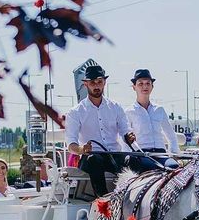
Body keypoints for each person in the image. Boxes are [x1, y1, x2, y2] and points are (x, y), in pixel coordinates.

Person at [65, 64, 137, 195]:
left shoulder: (116, 107)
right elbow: (71, 145)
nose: (96, 86)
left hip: (114, 156)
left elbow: (125, 130)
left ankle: (132, 200)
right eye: (92, 82)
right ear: (85, 84)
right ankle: (103, 201)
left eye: (99, 82)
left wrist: (129, 136)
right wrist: (82, 149)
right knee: (94, 160)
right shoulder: (76, 112)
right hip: (90, 158)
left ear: (105, 82)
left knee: (133, 160)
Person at [124, 68, 180, 172]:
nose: (144, 86)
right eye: (140, 84)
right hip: (142, 155)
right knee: (153, 167)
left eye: (148, 83)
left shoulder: (159, 110)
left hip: (161, 155)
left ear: (152, 87)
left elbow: (171, 136)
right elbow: (125, 139)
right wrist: (128, 157)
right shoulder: (129, 112)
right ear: (134, 87)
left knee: (174, 167)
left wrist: (173, 155)